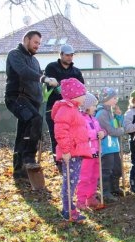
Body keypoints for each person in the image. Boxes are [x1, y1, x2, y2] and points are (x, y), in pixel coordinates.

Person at [4, 30, 58, 179]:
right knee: (35, 120)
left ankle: (19, 172)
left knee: (23, 134)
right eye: (35, 42)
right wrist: (44, 78)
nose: (37, 46)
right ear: (26, 40)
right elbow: (23, 72)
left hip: (32, 102)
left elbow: (38, 81)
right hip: (17, 98)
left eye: (39, 43)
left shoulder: (35, 61)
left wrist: (46, 91)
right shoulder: (14, 54)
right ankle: (29, 157)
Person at [52, 78, 91, 221]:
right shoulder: (66, 109)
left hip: (76, 152)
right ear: (74, 95)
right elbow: (61, 131)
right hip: (71, 153)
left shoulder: (74, 109)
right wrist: (66, 151)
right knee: (70, 182)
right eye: (83, 93)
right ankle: (67, 210)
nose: (85, 96)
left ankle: (70, 207)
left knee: (73, 181)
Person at [44, 44, 85, 172]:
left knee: (72, 135)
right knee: (56, 135)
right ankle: (59, 162)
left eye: (71, 55)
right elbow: (49, 85)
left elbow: (81, 90)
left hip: (72, 111)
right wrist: (58, 88)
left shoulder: (76, 72)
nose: (69, 57)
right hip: (54, 108)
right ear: (61, 54)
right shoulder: (51, 67)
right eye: (67, 55)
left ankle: (72, 160)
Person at [76, 93, 106, 210]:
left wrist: (103, 133)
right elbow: (82, 134)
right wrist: (95, 134)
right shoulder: (81, 119)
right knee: (85, 176)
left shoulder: (94, 119)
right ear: (86, 106)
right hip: (86, 153)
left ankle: (91, 197)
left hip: (96, 152)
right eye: (94, 105)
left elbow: (100, 131)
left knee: (94, 175)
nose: (95, 108)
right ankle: (81, 200)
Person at [95, 87, 125, 202]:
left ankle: (114, 188)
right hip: (106, 147)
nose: (116, 100)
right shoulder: (102, 113)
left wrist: (118, 116)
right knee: (106, 170)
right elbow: (112, 130)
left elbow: (117, 126)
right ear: (106, 99)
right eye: (114, 98)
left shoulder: (110, 112)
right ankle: (106, 192)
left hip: (114, 146)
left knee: (117, 168)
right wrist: (122, 130)